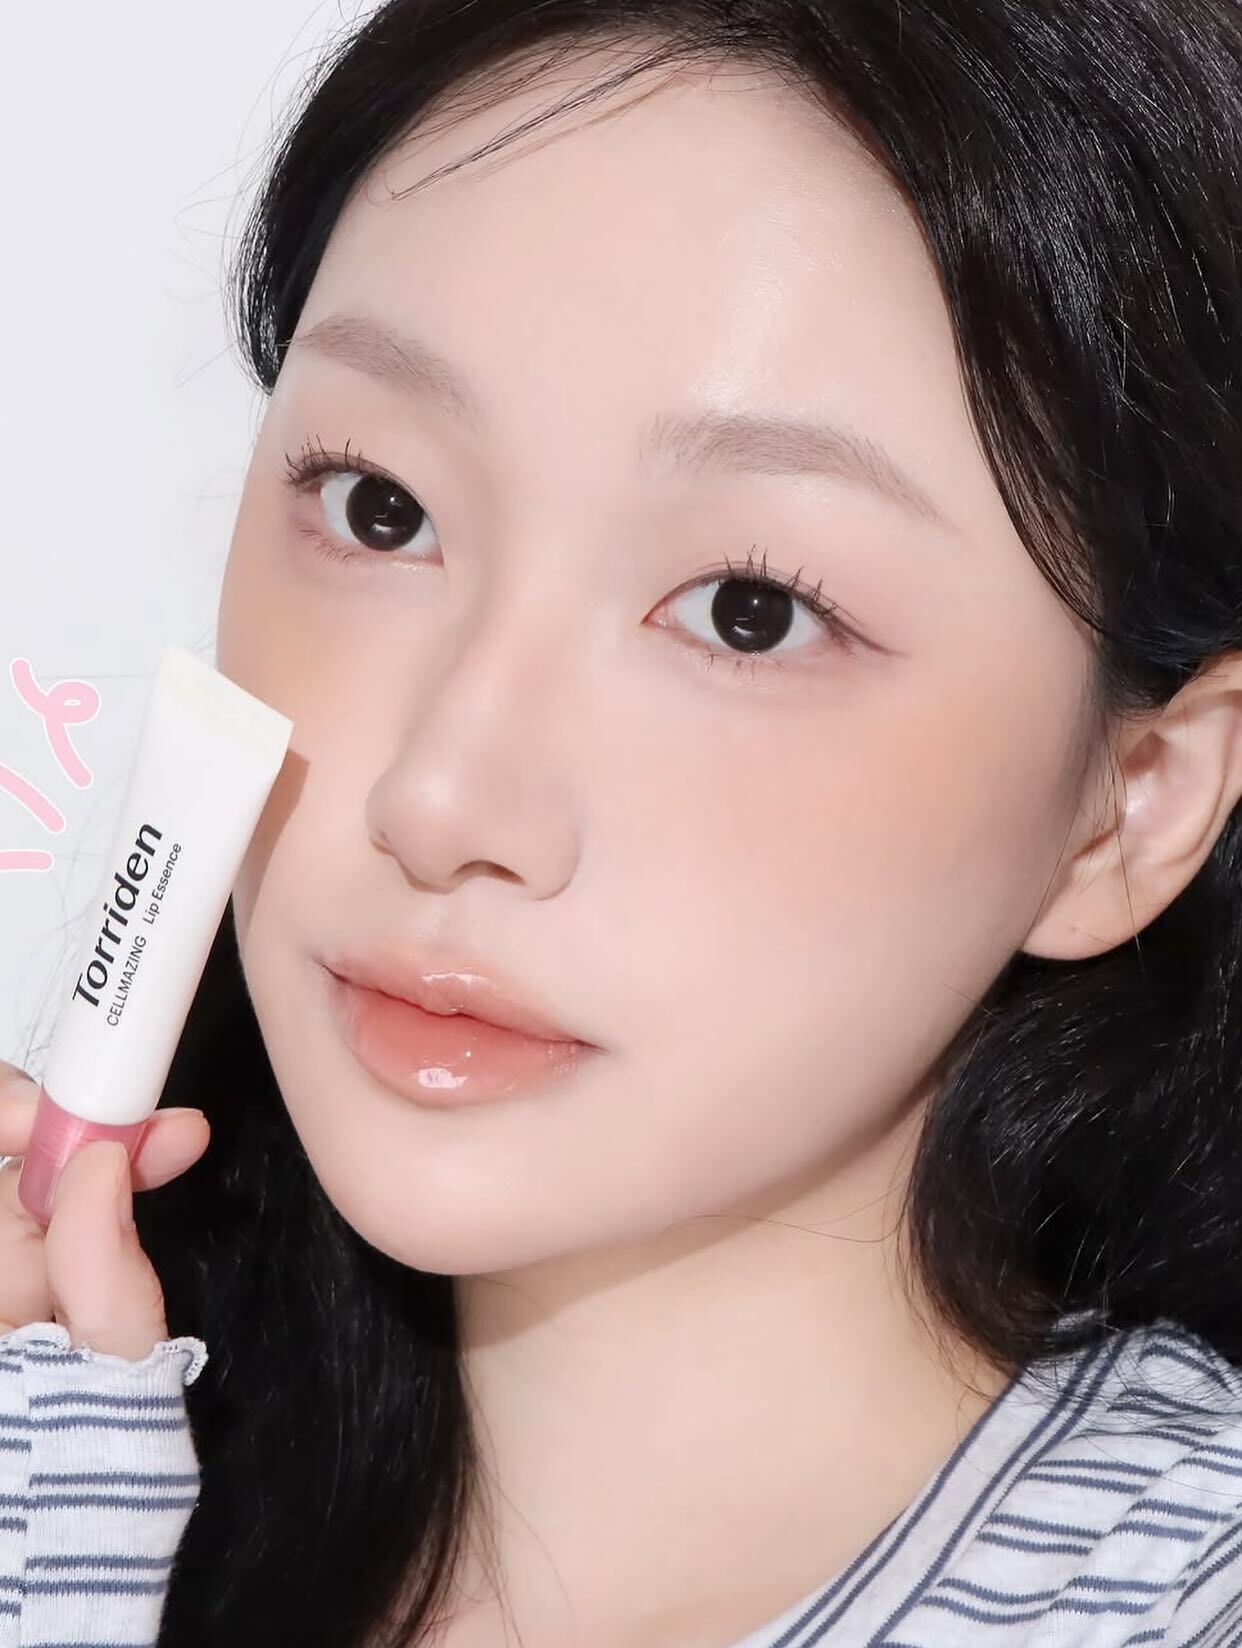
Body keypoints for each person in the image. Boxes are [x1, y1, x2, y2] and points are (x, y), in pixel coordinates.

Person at [3, 0, 1242, 1642]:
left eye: (748, 612)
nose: (440, 799)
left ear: (1130, 805)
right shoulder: (72, 1465)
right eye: (381, 508)